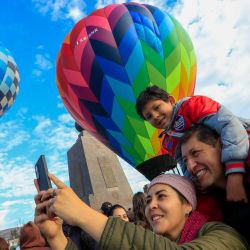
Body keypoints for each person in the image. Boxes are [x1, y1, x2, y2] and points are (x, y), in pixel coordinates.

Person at [34, 173, 249, 249]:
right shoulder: (148, 240)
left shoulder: (223, 236)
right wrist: (56, 237)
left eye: (161, 196)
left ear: (187, 205)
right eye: (147, 200)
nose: (150, 205)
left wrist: (82, 214)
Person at [136, 85, 250, 203]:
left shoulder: (192, 105)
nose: (155, 116)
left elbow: (229, 125)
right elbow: (184, 166)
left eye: (157, 107)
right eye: (149, 116)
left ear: (171, 100)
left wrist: (234, 174)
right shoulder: (168, 141)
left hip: (243, 147)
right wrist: (194, 183)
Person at [179, 124, 250, 243]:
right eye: (185, 161)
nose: (190, 167)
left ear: (221, 145)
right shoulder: (203, 207)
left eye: (196, 153)